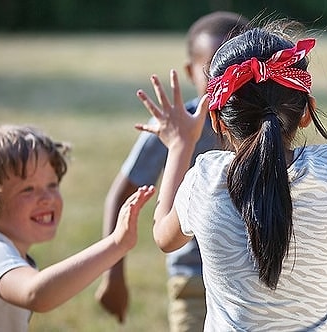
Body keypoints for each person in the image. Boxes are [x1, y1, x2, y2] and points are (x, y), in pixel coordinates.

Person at [135, 20, 327, 330]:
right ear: (307, 113)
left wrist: (179, 146)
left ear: (217, 120)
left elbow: (164, 236)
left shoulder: (205, 181)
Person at [95, 11, 249, 330]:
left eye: (235, 68)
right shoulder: (172, 126)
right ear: (191, 71)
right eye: (212, 70)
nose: (224, 80)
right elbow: (120, 196)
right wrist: (113, 274)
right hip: (192, 281)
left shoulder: (262, 122)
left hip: (252, 280)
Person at [0, 124, 154, 332]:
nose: (47, 198)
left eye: (52, 185)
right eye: (28, 189)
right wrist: (116, 244)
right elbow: (36, 294)